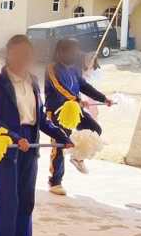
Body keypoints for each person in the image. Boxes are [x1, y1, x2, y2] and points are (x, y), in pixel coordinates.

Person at [0, 35, 71, 236]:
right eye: (19, 53)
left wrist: (61, 135)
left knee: (26, 200)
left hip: (30, 146)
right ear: (10, 54)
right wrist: (13, 137)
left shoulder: (32, 82)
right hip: (8, 148)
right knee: (7, 200)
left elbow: (40, 118)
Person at [44, 38, 111, 195]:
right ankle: (55, 182)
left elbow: (84, 86)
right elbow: (60, 88)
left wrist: (103, 98)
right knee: (60, 144)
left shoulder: (74, 69)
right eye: (72, 51)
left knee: (95, 129)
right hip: (57, 112)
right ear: (61, 52)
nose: (75, 54)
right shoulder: (51, 68)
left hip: (75, 110)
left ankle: (78, 157)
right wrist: (76, 99)